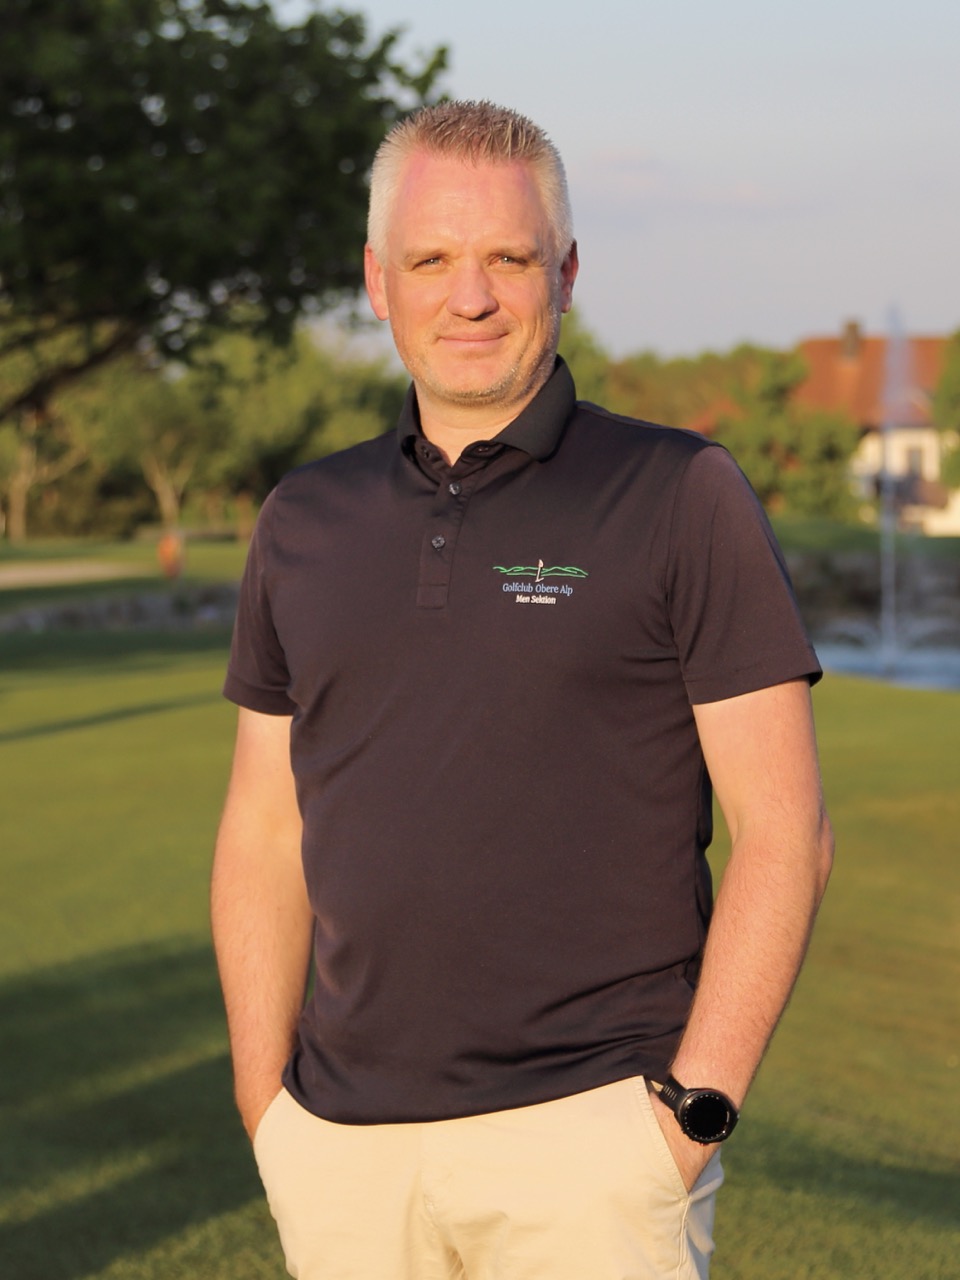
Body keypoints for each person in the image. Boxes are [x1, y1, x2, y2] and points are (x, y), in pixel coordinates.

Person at [211, 100, 833, 1280]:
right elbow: (263, 826)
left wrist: (691, 1112)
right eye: (430, 260)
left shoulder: (681, 491)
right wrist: (266, 1105)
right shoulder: (302, 518)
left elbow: (785, 827)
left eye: (508, 257)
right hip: (340, 1148)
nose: (472, 297)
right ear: (377, 280)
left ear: (567, 272)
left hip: (593, 1139)